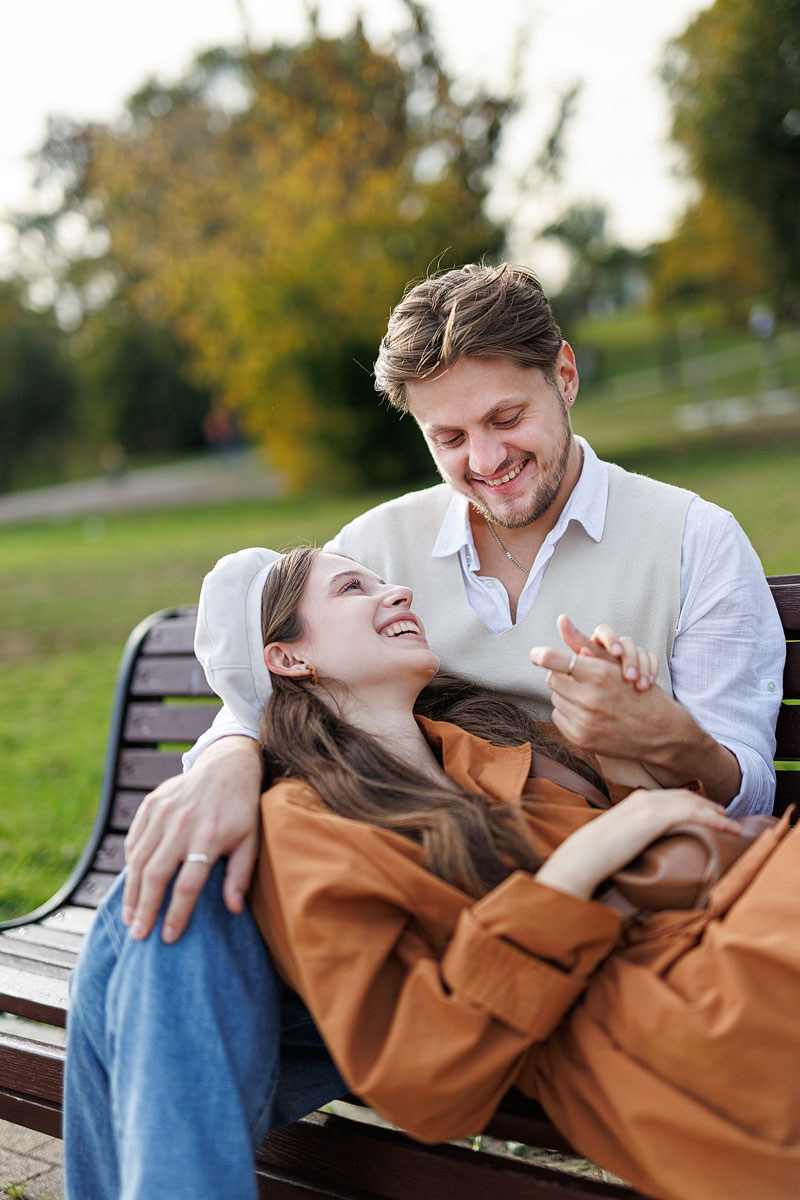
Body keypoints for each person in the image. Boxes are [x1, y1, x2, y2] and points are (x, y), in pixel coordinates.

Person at [65, 545, 794, 1200]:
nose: (399, 593)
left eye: (384, 579)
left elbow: (668, 840)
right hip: (690, 993)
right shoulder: (307, 825)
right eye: (354, 588)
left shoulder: (497, 738)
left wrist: (634, 737)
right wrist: (592, 856)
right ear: (287, 659)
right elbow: (423, 1072)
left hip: (745, 897)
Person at [121, 262, 784, 948]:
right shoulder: (375, 547)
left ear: (564, 375)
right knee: (188, 892)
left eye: (507, 417)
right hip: (410, 894)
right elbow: (274, 675)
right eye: (450, 438)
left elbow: (750, 793)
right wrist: (229, 758)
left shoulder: (693, 540)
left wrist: (664, 735)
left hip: (590, 902)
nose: (488, 458)